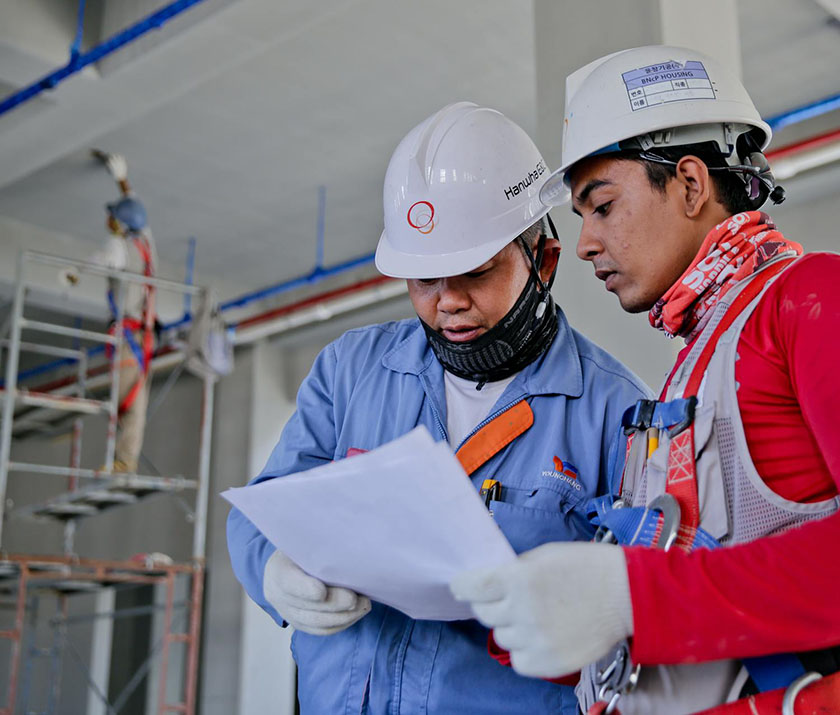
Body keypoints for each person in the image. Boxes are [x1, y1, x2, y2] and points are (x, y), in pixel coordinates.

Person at [450, 46, 840, 715]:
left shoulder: (811, 300)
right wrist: (551, 616)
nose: (584, 244)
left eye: (601, 206)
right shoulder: (691, 371)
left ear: (689, 184)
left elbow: (669, 596)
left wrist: (632, 595)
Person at [226, 102, 649, 714]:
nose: (447, 301)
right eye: (423, 279)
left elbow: (640, 612)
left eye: (475, 273)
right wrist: (273, 570)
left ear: (544, 261)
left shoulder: (616, 412)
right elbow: (265, 506)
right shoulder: (350, 372)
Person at [63, 152, 158, 473]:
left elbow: (99, 258)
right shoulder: (145, 242)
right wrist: (121, 179)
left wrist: (74, 273)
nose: (108, 220)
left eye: (112, 217)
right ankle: (124, 460)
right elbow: (136, 209)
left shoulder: (118, 247)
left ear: (118, 224)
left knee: (124, 402)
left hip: (128, 338)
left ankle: (120, 461)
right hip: (143, 335)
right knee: (134, 400)